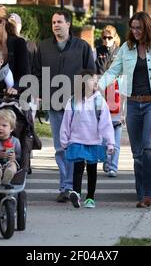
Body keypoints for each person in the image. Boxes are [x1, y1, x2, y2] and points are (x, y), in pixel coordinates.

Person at [98, 11, 151, 208]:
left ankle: (150, 193)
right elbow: (114, 71)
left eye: (139, 28)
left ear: (147, 27)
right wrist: (97, 85)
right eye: (132, 28)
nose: (135, 31)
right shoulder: (126, 48)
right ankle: (142, 193)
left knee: (149, 149)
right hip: (133, 103)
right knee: (137, 152)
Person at [33, 10, 96, 203]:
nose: (56, 25)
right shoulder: (42, 47)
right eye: (53, 22)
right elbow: (36, 73)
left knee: (75, 146)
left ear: (68, 24)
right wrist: (38, 94)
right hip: (54, 103)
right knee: (61, 147)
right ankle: (65, 187)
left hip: (77, 105)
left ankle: (72, 186)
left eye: (59, 22)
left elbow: (91, 74)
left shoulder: (82, 47)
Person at [60, 70, 114, 208]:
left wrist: (110, 142)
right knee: (77, 168)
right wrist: (64, 141)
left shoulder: (99, 102)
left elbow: (106, 123)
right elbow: (66, 122)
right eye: (92, 79)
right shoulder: (73, 101)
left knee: (92, 170)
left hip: (94, 141)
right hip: (76, 140)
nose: (96, 82)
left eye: (96, 79)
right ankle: (76, 194)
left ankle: (90, 197)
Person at [95, 26, 122, 178]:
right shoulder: (97, 51)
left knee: (116, 130)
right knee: (103, 130)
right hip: (101, 94)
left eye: (109, 38)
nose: (106, 40)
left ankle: (113, 166)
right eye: (104, 37)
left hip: (117, 95)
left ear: (115, 37)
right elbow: (94, 71)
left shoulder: (120, 52)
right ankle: (106, 158)